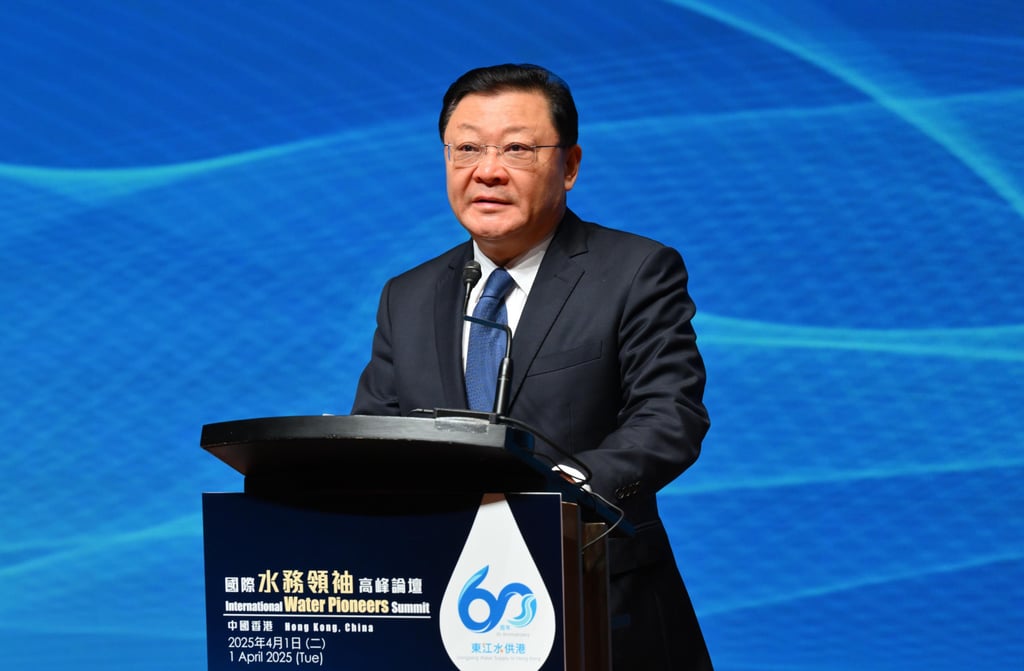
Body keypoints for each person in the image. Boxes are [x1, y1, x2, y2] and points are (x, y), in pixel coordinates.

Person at [352, 63, 712, 670]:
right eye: (467, 149)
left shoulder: (635, 271)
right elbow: (377, 438)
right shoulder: (406, 295)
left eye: (517, 149)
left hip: (600, 598)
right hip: (442, 601)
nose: (487, 170)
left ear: (569, 166)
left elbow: (669, 416)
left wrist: (561, 492)